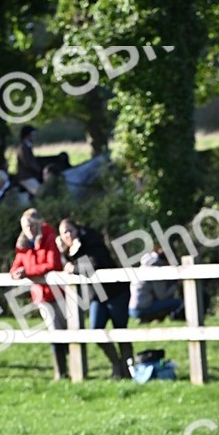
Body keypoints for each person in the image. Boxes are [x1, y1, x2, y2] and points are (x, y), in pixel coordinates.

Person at [58, 218, 132, 379]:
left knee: (121, 331)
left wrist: (74, 268)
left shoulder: (91, 240)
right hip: (97, 296)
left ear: (77, 229)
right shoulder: (66, 249)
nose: (68, 235)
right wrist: (65, 255)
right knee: (96, 330)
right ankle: (116, 364)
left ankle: (128, 370)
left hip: (116, 292)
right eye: (64, 233)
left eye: (70, 230)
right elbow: (64, 265)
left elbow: (95, 263)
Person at [10, 209, 68, 380]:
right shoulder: (23, 244)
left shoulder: (49, 237)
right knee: (54, 330)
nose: (26, 230)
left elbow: (52, 264)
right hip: (41, 296)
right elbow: (14, 267)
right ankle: (61, 373)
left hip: (58, 292)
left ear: (36, 224)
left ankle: (75, 368)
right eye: (23, 227)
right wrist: (16, 273)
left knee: (68, 330)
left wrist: (27, 271)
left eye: (29, 226)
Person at [128, 248, 185, 323]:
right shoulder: (156, 269)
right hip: (142, 308)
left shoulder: (144, 266)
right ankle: (175, 319)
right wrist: (176, 285)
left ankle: (146, 319)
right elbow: (162, 296)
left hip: (132, 308)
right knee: (177, 302)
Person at [15, 126, 43, 194]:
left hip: (30, 175)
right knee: (40, 193)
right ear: (27, 136)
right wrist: (40, 170)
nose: (34, 137)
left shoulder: (27, 147)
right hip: (26, 177)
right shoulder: (23, 147)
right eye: (33, 135)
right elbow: (28, 163)